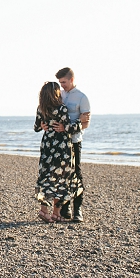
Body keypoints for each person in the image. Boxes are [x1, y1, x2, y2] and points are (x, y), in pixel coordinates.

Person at [34, 81, 82, 223]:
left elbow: (36, 127)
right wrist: (80, 123)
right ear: (55, 93)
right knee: (61, 178)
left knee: (46, 177)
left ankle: (44, 211)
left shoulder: (40, 108)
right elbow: (68, 127)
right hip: (61, 147)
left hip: (47, 146)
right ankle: (55, 213)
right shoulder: (61, 109)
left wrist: (43, 125)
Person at [52, 67, 90, 222]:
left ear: (72, 80)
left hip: (74, 141)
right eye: (60, 83)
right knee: (62, 174)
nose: (62, 85)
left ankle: (77, 210)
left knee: (76, 173)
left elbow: (85, 123)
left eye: (64, 82)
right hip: (60, 142)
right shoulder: (59, 95)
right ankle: (65, 208)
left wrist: (66, 128)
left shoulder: (82, 97)